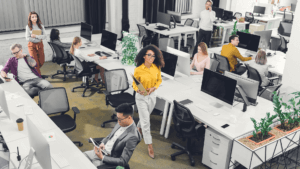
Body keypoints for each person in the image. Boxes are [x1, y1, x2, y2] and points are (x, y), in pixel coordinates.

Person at [84, 103, 141, 167]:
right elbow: (110, 135)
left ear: (129, 118)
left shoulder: (133, 137)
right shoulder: (121, 122)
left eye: (119, 119)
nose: (118, 121)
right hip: (101, 151)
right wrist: (103, 142)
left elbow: (123, 161)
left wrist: (102, 157)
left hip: (108, 159)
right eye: (117, 118)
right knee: (80, 157)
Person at [132, 44, 165, 159]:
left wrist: (154, 88)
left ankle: (138, 128)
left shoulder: (156, 67)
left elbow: (159, 80)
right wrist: (138, 90)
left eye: (153, 56)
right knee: (146, 122)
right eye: (149, 55)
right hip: (141, 98)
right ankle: (149, 145)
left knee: (145, 117)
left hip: (152, 96)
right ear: (144, 57)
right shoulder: (138, 69)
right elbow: (134, 84)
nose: (151, 57)